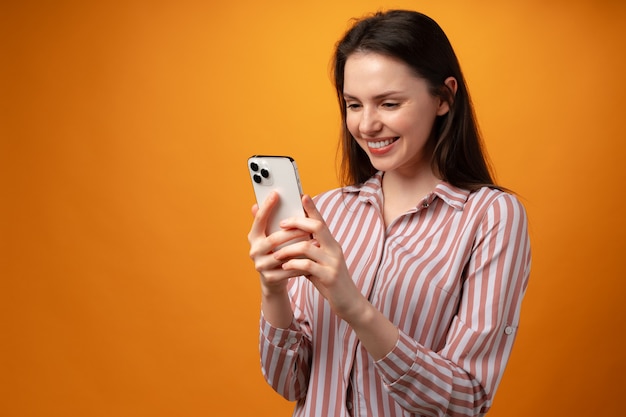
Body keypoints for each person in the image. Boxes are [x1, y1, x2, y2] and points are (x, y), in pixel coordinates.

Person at [247, 9, 531, 417]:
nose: (366, 125)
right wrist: (273, 290)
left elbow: (465, 399)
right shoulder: (326, 211)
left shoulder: (491, 216)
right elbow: (290, 382)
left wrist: (355, 307)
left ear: (444, 97)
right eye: (353, 105)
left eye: (389, 103)